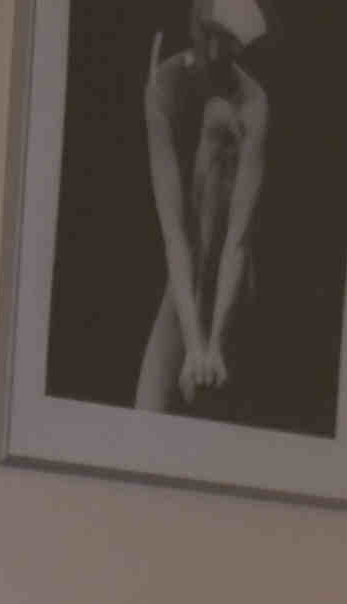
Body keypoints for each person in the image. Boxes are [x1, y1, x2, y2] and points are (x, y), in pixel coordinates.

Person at [137, 0, 269, 412]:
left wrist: (215, 345)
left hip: (232, 275)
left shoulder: (253, 103)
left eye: (224, 40)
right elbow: (173, 234)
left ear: (239, 44)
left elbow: (238, 239)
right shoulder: (164, 87)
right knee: (149, 408)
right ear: (193, 24)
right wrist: (195, 345)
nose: (213, 52)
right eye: (206, 34)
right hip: (185, 269)